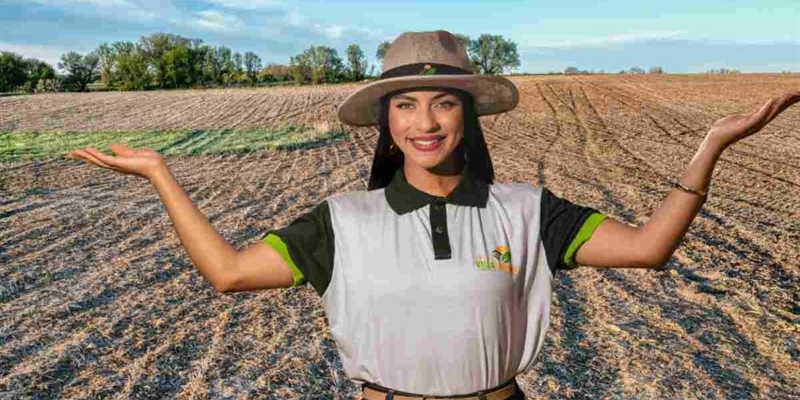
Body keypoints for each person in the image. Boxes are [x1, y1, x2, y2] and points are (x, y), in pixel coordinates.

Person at [66, 30, 798, 400]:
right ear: (386, 124)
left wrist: (710, 146)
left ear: (469, 117)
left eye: (444, 102)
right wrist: (163, 174)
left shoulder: (526, 211)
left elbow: (648, 248)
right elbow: (227, 274)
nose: (425, 121)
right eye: (406, 105)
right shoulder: (342, 220)